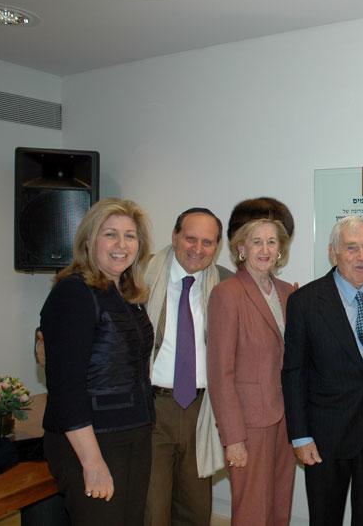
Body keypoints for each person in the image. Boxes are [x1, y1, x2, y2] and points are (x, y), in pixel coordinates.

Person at [40, 198, 154, 525]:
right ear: (90, 241)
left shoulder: (129, 295)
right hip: (92, 441)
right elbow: (66, 389)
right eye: (111, 234)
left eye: (130, 236)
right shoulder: (73, 294)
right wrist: (92, 462)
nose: (121, 245)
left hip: (133, 433)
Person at [282, 216, 363, 526]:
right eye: (352, 248)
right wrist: (300, 436)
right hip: (324, 436)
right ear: (333, 253)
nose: (362, 257)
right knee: (325, 517)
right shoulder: (305, 302)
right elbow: (294, 372)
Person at [143, 207, 233, 526]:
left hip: (202, 413)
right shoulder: (141, 277)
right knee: (154, 511)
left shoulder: (224, 283)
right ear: (175, 236)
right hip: (152, 409)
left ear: (217, 245)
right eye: (190, 239)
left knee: (196, 511)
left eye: (207, 242)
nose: (197, 249)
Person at [208, 218, 297, 525]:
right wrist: (233, 437)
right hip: (249, 424)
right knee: (252, 511)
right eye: (256, 242)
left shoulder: (288, 293)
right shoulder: (227, 293)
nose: (265, 249)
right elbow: (221, 373)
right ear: (241, 249)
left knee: (279, 505)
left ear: (280, 250)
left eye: (272, 242)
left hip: (286, 419)